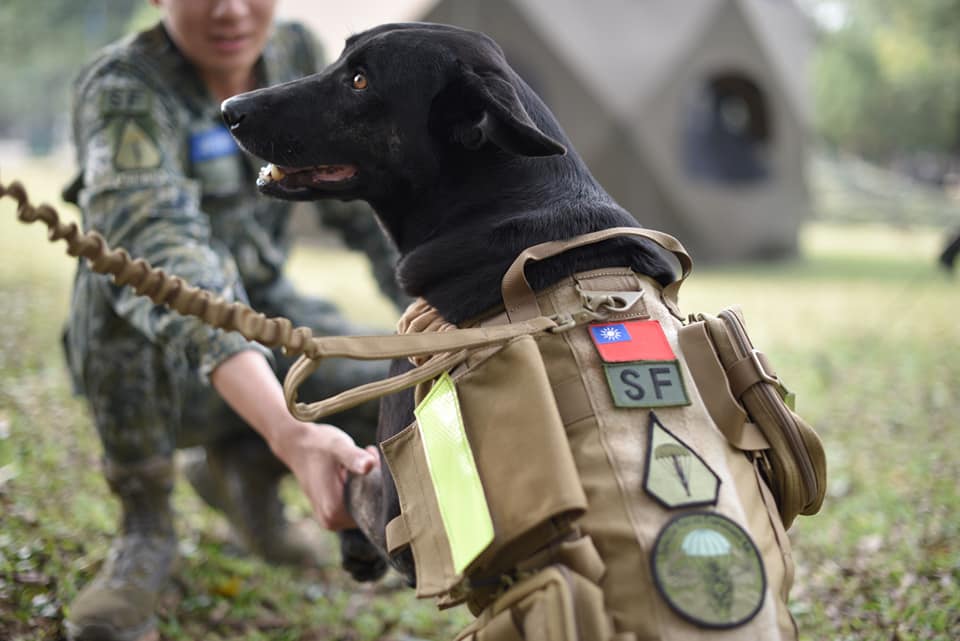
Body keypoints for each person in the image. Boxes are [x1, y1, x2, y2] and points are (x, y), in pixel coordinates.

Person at [60, 2, 405, 640]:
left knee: (392, 378)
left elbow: (370, 210)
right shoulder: (124, 88)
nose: (230, 11)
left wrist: (443, 316)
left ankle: (245, 474)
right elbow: (161, 254)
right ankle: (146, 527)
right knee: (112, 279)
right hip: (159, 355)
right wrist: (287, 427)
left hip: (266, 312)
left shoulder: (299, 57)